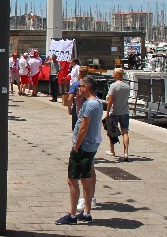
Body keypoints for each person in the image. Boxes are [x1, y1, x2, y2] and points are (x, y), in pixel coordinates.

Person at [55, 77, 103, 225]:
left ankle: (72, 214)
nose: (78, 88)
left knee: (72, 179)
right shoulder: (97, 102)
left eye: (80, 86)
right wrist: (77, 103)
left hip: (83, 145)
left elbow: (83, 127)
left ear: (87, 87)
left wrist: (76, 145)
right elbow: (79, 117)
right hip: (92, 144)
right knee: (86, 179)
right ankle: (87, 212)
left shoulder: (90, 105)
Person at [105, 68, 131, 161]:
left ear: (117, 75)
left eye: (114, 73)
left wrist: (107, 112)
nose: (112, 75)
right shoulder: (127, 86)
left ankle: (112, 150)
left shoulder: (113, 86)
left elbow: (110, 100)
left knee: (111, 130)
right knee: (125, 132)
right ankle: (126, 152)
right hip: (125, 112)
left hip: (114, 112)